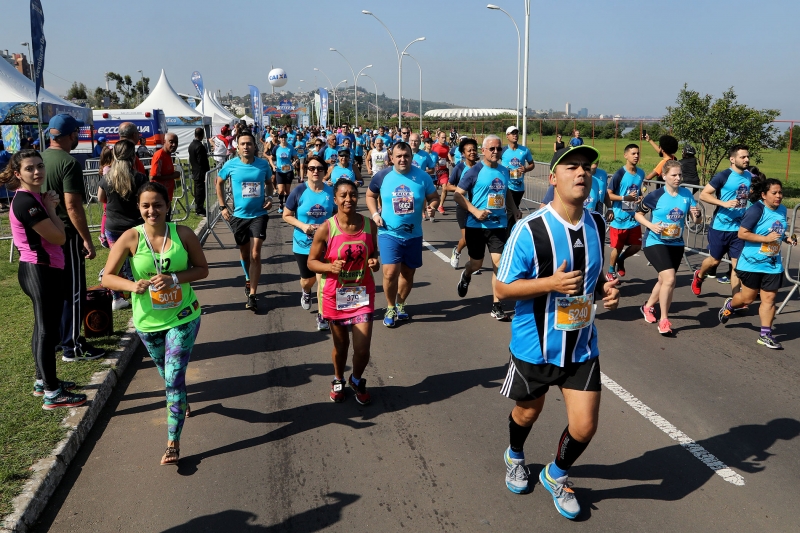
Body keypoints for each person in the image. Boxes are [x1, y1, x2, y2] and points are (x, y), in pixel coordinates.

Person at [495, 144, 620, 519]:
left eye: (586, 168)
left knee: (585, 426)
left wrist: (606, 291)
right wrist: (549, 283)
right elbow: (501, 290)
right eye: (571, 167)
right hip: (536, 346)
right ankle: (515, 456)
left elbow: (595, 278)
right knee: (527, 414)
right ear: (553, 177)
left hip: (581, 345)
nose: (581, 173)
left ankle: (556, 474)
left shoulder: (597, 223)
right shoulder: (530, 229)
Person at [101, 181, 208, 465]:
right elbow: (106, 277)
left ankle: (173, 442)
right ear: (138, 208)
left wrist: (174, 278)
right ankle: (181, 399)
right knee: (167, 373)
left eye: (157, 205)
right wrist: (130, 285)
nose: (152, 211)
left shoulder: (183, 234)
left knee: (173, 378)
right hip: (148, 321)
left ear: (167, 205)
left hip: (183, 315)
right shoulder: (130, 238)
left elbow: (202, 269)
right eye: (146, 205)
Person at [1, 149, 88, 409]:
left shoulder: (33, 197)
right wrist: (52, 208)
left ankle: (44, 381)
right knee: (47, 332)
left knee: (42, 328)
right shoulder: (27, 202)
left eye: (40, 166)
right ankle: (52, 393)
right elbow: (60, 237)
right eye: (30, 168)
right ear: (18, 174)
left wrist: (48, 205)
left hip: (43, 270)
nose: (37, 171)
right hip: (39, 271)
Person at [308, 179, 380, 404]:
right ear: (335, 199)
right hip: (334, 295)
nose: (348, 199)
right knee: (341, 346)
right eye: (343, 195)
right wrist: (329, 266)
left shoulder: (370, 225)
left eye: (352, 194)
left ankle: (356, 379)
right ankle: (337, 378)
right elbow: (312, 262)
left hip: (361, 293)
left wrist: (374, 262)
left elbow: (374, 253)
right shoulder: (326, 228)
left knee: (362, 347)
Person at [42, 114, 106, 362]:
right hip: (66, 234)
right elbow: (73, 206)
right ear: (71, 135)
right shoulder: (69, 163)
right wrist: (86, 239)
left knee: (55, 291)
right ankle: (72, 346)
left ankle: (60, 339)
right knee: (74, 290)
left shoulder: (40, 159)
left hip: (44, 233)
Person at [365, 142, 440, 327]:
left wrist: (432, 207)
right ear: (391, 158)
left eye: (406, 155)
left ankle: (400, 303)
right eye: (398, 156)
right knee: (390, 272)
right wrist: (375, 214)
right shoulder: (382, 176)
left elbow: (434, 197)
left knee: (407, 273)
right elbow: (369, 195)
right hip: (389, 232)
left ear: (411, 157)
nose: (402, 159)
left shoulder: (422, 177)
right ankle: (390, 307)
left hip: (413, 234)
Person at [717, 176, 796, 349]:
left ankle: (765, 334)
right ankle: (730, 305)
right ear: (763, 195)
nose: (778, 196)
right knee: (747, 299)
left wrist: (787, 238)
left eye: (780, 192)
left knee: (769, 298)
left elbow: (777, 230)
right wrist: (765, 239)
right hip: (751, 263)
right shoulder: (756, 210)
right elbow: (742, 234)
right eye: (774, 193)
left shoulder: (782, 210)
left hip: (772, 263)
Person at [454, 135, 522, 320]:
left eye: (498, 149)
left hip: (498, 225)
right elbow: (458, 195)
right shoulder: (474, 171)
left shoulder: (504, 171)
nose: (495, 152)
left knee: (499, 265)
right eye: (491, 149)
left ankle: (496, 305)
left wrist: (514, 209)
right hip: (475, 225)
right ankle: (467, 274)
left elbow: (506, 191)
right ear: (483, 151)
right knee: (476, 264)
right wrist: (475, 211)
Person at [635, 160, 701, 335]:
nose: (678, 178)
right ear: (664, 176)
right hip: (655, 242)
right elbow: (638, 214)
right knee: (670, 279)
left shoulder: (687, 195)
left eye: (680, 175)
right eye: (674, 175)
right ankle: (664, 320)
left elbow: (697, 221)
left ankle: (648, 307)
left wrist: (698, 215)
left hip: (676, 243)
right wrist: (650, 225)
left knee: (663, 281)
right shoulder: (655, 196)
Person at [217, 130, 274, 311]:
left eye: (249, 144)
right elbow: (218, 182)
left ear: (254, 146)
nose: (246, 147)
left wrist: (270, 198)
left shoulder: (263, 165)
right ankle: (248, 278)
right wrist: (222, 206)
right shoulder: (231, 165)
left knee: (255, 253)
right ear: (237, 147)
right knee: (244, 253)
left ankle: (253, 295)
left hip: (259, 215)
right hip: (239, 216)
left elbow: (269, 183)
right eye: (242, 144)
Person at [691, 145, 753, 297]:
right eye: (743, 157)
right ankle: (699, 276)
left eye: (747, 156)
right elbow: (704, 195)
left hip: (739, 228)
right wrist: (724, 203)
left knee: (737, 266)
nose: (747, 159)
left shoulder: (749, 176)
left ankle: (735, 299)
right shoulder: (723, 176)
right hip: (720, 226)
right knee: (714, 261)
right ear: (732, 159)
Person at [284, 155, 336, 330]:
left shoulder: (331, 192)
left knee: (323, 281)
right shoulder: (299, 191)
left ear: (325, 172)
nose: (315, 172)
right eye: (312, 168)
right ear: (306, 171)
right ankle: (306, 292)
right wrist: (303, 226)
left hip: (325, 245)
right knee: (308, 280)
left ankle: (322, 316)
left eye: (319, 169)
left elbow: (338, 215)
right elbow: (286, 215)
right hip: (303, 244)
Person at [98, 140, 148, 310]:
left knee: (115, 263)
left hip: (113, 227)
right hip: (135, 227)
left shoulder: (107, 177)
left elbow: (100, 198)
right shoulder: (140, 177)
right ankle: (139, 294)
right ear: (133, 156)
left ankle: (116, 297)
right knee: (138, 263)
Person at [606, 144, 645, 280]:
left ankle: (621, 260)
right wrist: (625, 198)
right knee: (617, 247)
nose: (636, 156)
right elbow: (608, 194)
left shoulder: (641, 173)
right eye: (633, 153)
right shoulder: (619, 174)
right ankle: (610, 271)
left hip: (633, 217)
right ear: (626, 155)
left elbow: (637, 191)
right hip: (619, 218)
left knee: (636, 246)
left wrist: (639, 197)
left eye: (638, 153)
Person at [447, 138, 480, 269]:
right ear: (463, 153)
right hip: (463, 206)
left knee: (477, 237)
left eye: (474, 149)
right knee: (467, 238)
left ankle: (472, 262)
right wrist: (462, 189)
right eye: (469, 150)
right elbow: (448, 186)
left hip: (478, 207)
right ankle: (457, 251)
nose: (472, 152)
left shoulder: (481, 167)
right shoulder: (459, 168)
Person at [501, 126, 535, 219]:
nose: (515, 135)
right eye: (513, 133)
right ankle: (508, 232)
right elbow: (494, 163)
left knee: (512, 212)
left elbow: (532, 164)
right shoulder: (503, 151)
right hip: (506, 186)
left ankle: (511, 230)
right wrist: (503, 170)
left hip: (519, 187)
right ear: (507, 136)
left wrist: (526, 169)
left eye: (516, 133)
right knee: (510, 212)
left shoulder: (524, 150)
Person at [150, 133, 180, 204]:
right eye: (171, 142)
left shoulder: (168, 154)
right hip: (159, 197)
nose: (174, 145)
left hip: (166, 196)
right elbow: (153, 176)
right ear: (164, 142)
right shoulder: (159, 155)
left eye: (176, 142)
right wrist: (173, 176)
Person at [273, 133, 298, 214]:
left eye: (284, 137)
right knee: (280, 190)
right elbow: (271, 157)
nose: (283, 139)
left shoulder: (290, 147)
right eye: (281, 137)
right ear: (279, 139)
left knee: (287, 190)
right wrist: (273, 165)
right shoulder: (276, 147)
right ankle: (280, 204)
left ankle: (287, 206)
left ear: (286, 138)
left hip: (288, 171)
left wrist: (294, 162)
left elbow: (296, 158)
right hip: (279, 171)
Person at [188, 127, 210, 216]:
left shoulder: (191, 145)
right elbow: (202, 161)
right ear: (202, 135)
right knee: (200, 191)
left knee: (198, 190)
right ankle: (199, 209)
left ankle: (200, 207)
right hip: (200, 172)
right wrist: (205, 172)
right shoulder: (199, 146)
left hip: (195, 170)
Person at [430, 131, 452, 213]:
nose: (444, 139)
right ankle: (431, 203)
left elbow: (446, 157)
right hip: (435, 170)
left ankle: (441, 205)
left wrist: (449, 161)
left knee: (445, 187)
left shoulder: (446, 147)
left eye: (445, 137)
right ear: (438, 138)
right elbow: (429, 155)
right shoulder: (434, 146)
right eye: (442, 137)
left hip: (443, 170)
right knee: (433, 189)